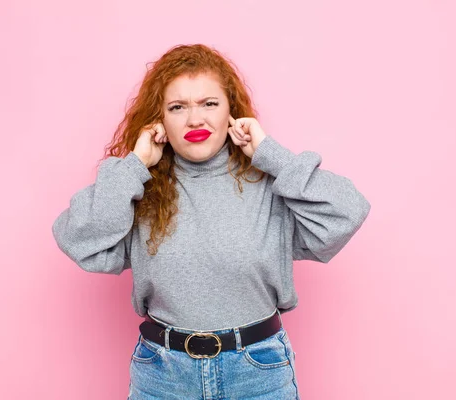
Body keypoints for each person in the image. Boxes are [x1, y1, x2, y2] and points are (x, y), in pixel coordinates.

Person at [52, 43, 371, 399]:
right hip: (163, 376)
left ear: (231, 113)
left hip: (258, 373)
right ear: (159, 121)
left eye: (209, 104)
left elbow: (348, 210)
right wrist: (135, 165)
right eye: (178, 107)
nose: (195, 119)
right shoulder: (141, 190)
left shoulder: (270, 185)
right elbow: (77, 239)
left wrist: (272, 156)